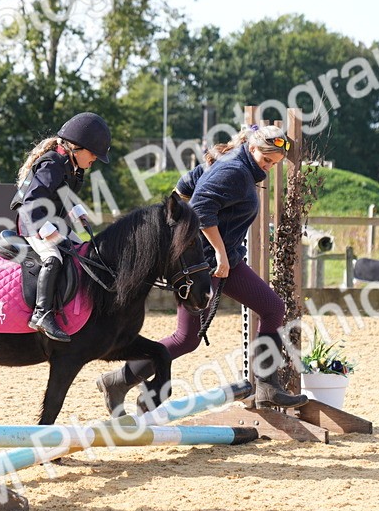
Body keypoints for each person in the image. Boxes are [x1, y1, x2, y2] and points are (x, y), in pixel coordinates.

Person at [99, 124, 307, 411]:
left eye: (275, 163)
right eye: (267, 159)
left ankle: (268, 386)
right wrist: (213, 252)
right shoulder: (234, 171)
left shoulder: (232, 164)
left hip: (227, 262)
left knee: (272, 307)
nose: (269, 167)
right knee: (185, 339)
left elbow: (184, 187)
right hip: (203, 266)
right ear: (252, 148)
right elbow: (200, 208)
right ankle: (118, 381)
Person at [11, 112, 112, 341]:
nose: (95, 158)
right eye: (93, 153)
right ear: (76, 147)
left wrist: (77, 212)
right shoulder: (52, 163)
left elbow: (63, 196)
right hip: (32, 223)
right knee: (53, 258)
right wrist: (46, 231)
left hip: (53, 222)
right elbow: (31, 203)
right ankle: (41, 314)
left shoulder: (72, 166)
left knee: (85, 249)